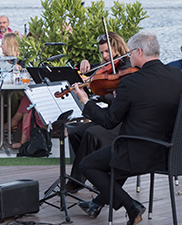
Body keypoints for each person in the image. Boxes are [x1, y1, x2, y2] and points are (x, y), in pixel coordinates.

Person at [72, 31, 182, 225]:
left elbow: (109, 121)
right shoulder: (177, 76)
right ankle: (99, 203)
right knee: (113, 160)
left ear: (139, 52)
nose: (129, 57)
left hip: (138, 153)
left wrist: (85, 101)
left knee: (88, 164)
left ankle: (131, 206)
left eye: (131, 53)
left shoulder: (131, 82)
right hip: (170, 154)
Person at [66, 31, 131, 193]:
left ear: (118, 47)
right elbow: (89, 73)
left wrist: (97, 91)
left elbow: (117, 102)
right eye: (102, 52)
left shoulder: (127, 68)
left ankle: (77, 180)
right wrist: (84, 63)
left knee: (91, 133)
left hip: (122, 121)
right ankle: (93, 172)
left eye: (108, 51)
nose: (105, 55)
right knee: (74, 133)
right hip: (110, 118)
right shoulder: (107, 68)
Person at [0, 32, 42, 149]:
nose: (0, 46)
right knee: (26, 100)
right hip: (17, 92)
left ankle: (13, 121)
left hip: (22, 91)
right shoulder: (2, 61)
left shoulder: (23, 61)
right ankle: (14, 124)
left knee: (27, 97)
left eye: (2, 43)